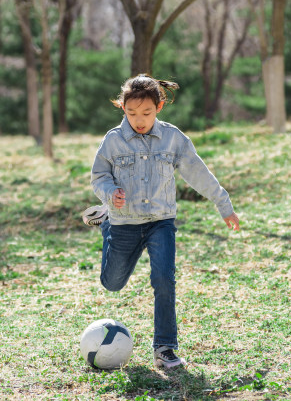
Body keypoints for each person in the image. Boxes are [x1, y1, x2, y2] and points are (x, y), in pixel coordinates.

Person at [86, 74, 240, 369]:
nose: (139, 120)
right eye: (131, 113)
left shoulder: (173, 138)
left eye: (146, 112)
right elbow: (99, 176)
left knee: (164, 280)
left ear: (160, 106)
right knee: (112, 283)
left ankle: (165, 348)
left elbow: (198, 173)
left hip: (161, 221)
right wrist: (109, 193)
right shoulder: (113, 141)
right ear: (122, 107)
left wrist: (224, 204)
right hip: (124, 222)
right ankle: (104, 222)